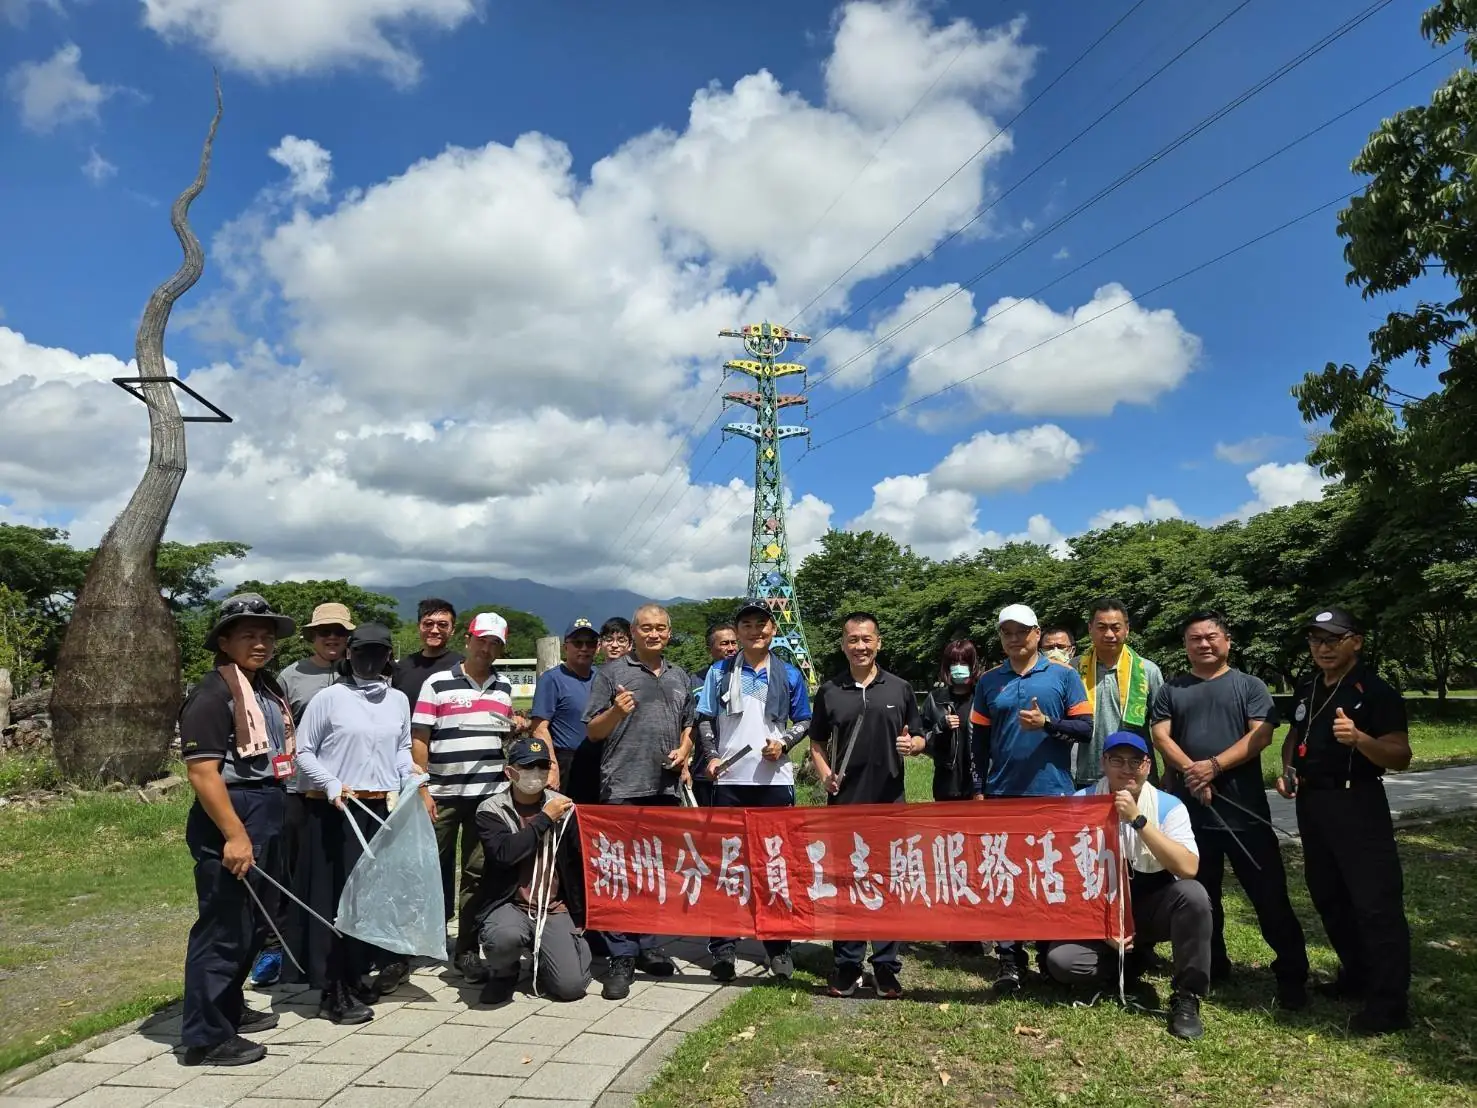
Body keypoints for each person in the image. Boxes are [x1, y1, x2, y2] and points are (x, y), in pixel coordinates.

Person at [1151, 611, 1308, 1009]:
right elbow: (1160, 735)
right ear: (1185, 646)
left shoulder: (1249, 686)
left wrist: (1214, 766)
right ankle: (1212, 967)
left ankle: (1292, 975)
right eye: (1194, 638)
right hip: (1190, 816)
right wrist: (1193, 774)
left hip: (1243, 811)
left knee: (1269, 896)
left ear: (1227, 640)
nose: (1203, 644)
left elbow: (1261, 735)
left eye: (1211, 636)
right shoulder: (1173, 689)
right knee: (1203, 897)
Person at [1278, 607, 1412, 1033]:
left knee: (1375, 903)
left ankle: (1389, 1005)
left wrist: (1360, 739)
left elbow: (1401, 756)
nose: (1323, 648)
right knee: (1329, 896)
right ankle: (1356, 976)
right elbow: (1294, 736)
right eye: (1316, 640)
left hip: (1358, 802)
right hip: (1314, 805)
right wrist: (1288, 769)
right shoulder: (1308, 688)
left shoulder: (1376, 692)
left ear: (1356, 640)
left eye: (1333, 639)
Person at [178, 593, 297, 1066]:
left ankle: (228, 1007)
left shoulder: (265, 689)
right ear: (224, 641)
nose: (261, 643)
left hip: (269, 801)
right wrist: (234, 834)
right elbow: (203, 772)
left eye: (267, 635)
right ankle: (205, 1036)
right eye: (248, 634)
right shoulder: (212, 694)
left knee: (254, 924)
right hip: (233, 809)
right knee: (224, 926)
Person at [1043, 732, 1212, 1040]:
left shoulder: (1168, 806)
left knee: (1194, 896)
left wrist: (1138, 820)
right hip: (1096, 910)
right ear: (1104, 763)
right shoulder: (1079, 804)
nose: (1127, 769)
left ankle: (1187, 996)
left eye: (1136, 761)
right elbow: (1064, 877)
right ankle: (1125, 963)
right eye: (1118, 760)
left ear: (1148, 765)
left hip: (1149, 905)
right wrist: (1102, 927)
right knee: (1061, 962)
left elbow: (1188, 868)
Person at [294, 623, 419, 1024]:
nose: (369, 660)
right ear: (349, 653)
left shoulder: (398, 700)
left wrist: (411, 774)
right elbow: (303, 751)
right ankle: (332, 989)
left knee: (366, 900)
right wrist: (330, 782)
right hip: (335, 809)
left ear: (388, 657)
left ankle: (355, 973)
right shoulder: (329, 698)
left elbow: (400, 748)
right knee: (335, 901)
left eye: (378, 653)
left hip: (377, 810)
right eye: (362, 652)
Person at [972, 603, 1093, 992]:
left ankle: (1048, 952)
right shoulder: (989, 682)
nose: (1013, 639)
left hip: (1053, 794)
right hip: (1002, 794)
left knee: (1048, 875)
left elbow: (1085, 729)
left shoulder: (1063, 676)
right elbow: (979, 741)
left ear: (1037, 634)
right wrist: (978, 788)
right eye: (1006, 632)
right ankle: (1010, 960)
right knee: (1004, 877)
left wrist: (1049, 724)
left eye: (1021, 632)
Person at [808, 612, 925, 1000]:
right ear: (843, 645)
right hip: (844, 804)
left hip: (889, 803)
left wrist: (915, 746)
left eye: (867, 639)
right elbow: (817, 744)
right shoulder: (829, 691)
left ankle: (887, 967)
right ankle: (846, 964)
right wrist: (825, 774)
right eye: (853, 640)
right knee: (846, 883)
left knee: (888, 883)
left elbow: (920, 735)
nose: (860, 646)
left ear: (879, 643)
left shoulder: (900, 688)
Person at [694, 600, 811, 982]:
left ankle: (778, 946)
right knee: (727, 866)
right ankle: (723, 948)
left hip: (774, 781)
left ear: (773, 629)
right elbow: (705, 719)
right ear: (738, 631)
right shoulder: (718, 671)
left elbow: (805, 719)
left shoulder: (789, 674)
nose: (755, 630)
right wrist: (711, 757)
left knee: (775, 863)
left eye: (762, 624)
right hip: (729, 781)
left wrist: (786, 743)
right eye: (747, 624)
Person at [583, 604, 692, 999]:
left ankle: (648, 945)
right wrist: (616, 710)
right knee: (619, 873)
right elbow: (594, 731)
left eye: (660, 628)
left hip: (664, 789)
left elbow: (689, 724)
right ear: (633, 632)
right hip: (622, 788)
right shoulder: (610, 673)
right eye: (646, 628)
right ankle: (620, 955)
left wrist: (685, 749)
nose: (654, 634)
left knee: (655, 872)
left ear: (668, 632)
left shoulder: (680, 675)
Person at [412, 612, 516, 985]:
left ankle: (466, 949)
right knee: (429, 869)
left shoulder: (504, 687)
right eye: (482, 640)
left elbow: (502, 737)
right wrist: (421, 787)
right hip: (442, 793)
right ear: (469, 639)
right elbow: (420, 739)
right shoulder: (437, 683)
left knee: (476, 872)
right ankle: (422, 941)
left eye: (495, 644)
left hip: (487, 796)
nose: (486, 649)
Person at [253, 601, 353, 989]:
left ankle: (343, 947)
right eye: (324, 631)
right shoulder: (290, 677)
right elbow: (277, 733)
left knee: (342, 873)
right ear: (312, 636)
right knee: (291, 871)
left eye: (339, 632)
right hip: (300, 790)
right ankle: (279, 948)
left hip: (349, 792)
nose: (332, 638)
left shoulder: (360, 675)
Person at [474, 735, 590, 1007]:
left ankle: (557, 953)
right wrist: (544, 819)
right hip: (511, 904)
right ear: (510, 772)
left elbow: (579, 859)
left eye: (541, 766)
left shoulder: (565, 805)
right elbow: (505, 854)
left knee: (570, 987)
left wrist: (581, 910)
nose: (535, 774)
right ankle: (504, 972)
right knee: (503, 937)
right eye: (527, 767)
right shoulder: (491, 809)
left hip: (553, 905)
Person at [1074, 598, 1165, 788]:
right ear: (1090, 628)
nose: (1109, 634)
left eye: (1115, 627)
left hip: (1135, 777)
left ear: (1127, 629)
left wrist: (1170, 772)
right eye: (1101, 627)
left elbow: (1162, 729)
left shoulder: (1147, 671)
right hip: (1085, 775)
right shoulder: (1073, 670)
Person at [531, 619, 601, 801]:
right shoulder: (552, 679)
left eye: (590, 643)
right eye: (578, 643)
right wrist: (552, 767)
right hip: (566, 762)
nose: (584, 648)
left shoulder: (602, 677)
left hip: (600, 760)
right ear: (565, 647)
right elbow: (539, 727)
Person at [914, 639, 981, 801]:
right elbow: (922, 740)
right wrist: (941, 726)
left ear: (972, 665)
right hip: (947, 784)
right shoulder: (935, 699)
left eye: (964, 662)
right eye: (954, 663)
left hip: (980, 784)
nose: (959, 667)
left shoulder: (982, 697)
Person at [689, 623, 739, 806]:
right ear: (710, 648)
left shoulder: (747, 676)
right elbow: (690, 725)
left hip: (740, 768)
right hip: (705, 769)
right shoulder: (694, 680)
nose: (731, 648)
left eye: (734, 642)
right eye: (724, 643)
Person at [392, 598, 464, 707]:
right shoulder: (403, 667)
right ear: (419, 627)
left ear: (452, 630)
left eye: (442, 625)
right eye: (428, 624)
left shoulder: (463, 666)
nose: (434, 630)